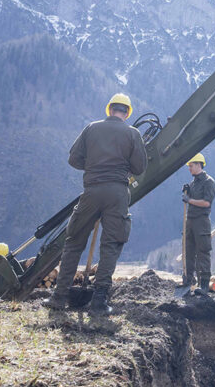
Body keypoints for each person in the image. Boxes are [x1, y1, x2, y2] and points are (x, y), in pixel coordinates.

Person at [46, 92, 147, 313]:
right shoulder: (133, 134)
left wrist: (93, 166)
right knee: (111, 245)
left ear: (109, 109)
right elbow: (140, 168)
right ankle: (100, 300)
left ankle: (59, 297)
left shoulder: (91, 128)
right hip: (118, 193)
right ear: (127, 112)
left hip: (91, 191)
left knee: (73, 242)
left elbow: (73, 158)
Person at [182, 153, 215, 296]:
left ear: (198, 164)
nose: (189, 168)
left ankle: (204, 285)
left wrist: (189, 200)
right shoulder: (193, 183)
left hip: (201, 221)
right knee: (189, 251)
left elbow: (206, 203)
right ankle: (188, 282)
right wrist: (188, 192)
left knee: (202, 252)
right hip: (189, 221)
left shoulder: (209, 182)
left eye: (191, 165)